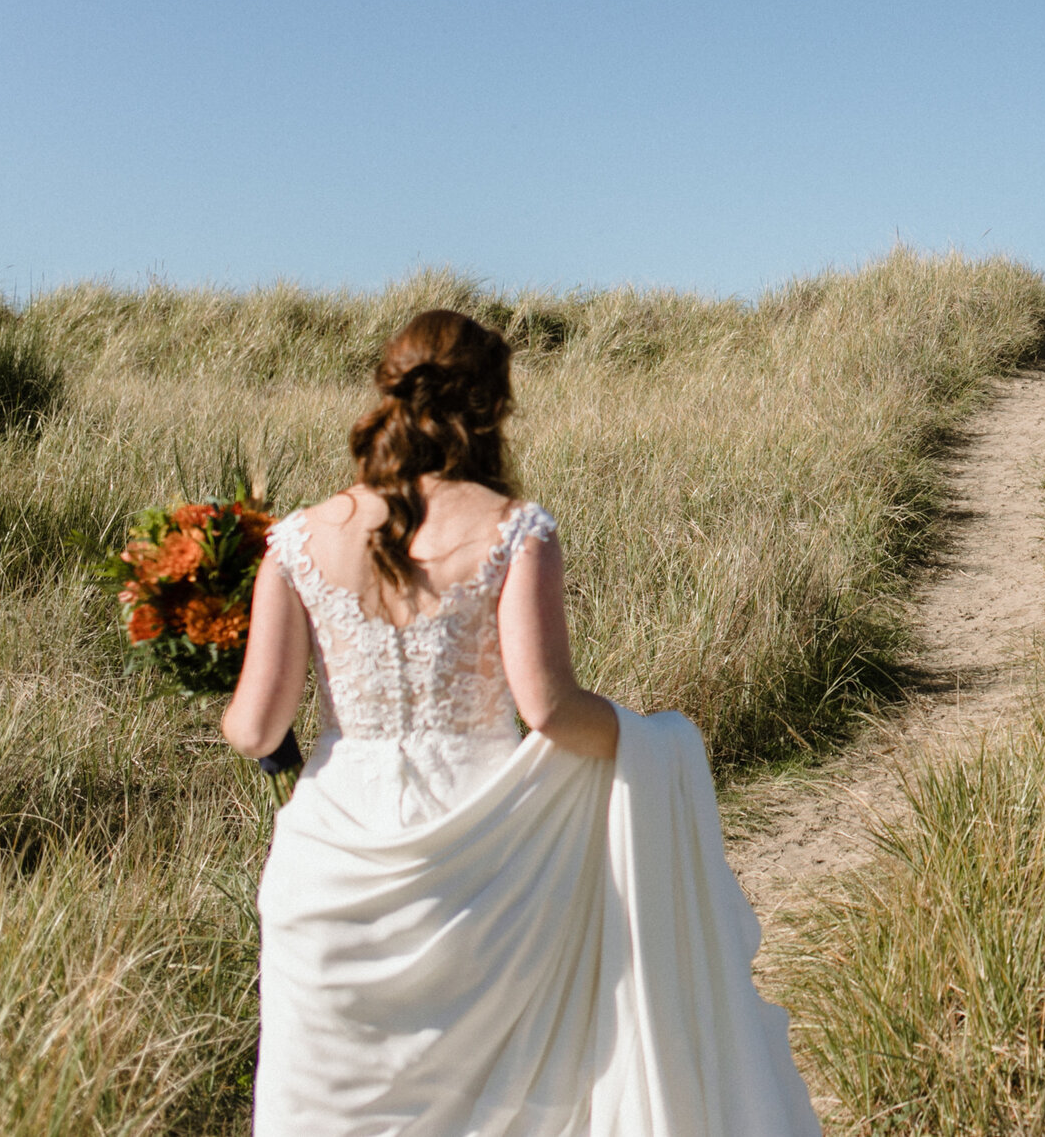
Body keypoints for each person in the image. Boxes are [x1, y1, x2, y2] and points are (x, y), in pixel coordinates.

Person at [220, 308, 821, 1137]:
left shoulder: (294, 540)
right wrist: (659, 740)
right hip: (484, 856)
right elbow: (548, 707)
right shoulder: (512, 529)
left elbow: (256, 728)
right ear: (491, 404)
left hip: (333, 862)